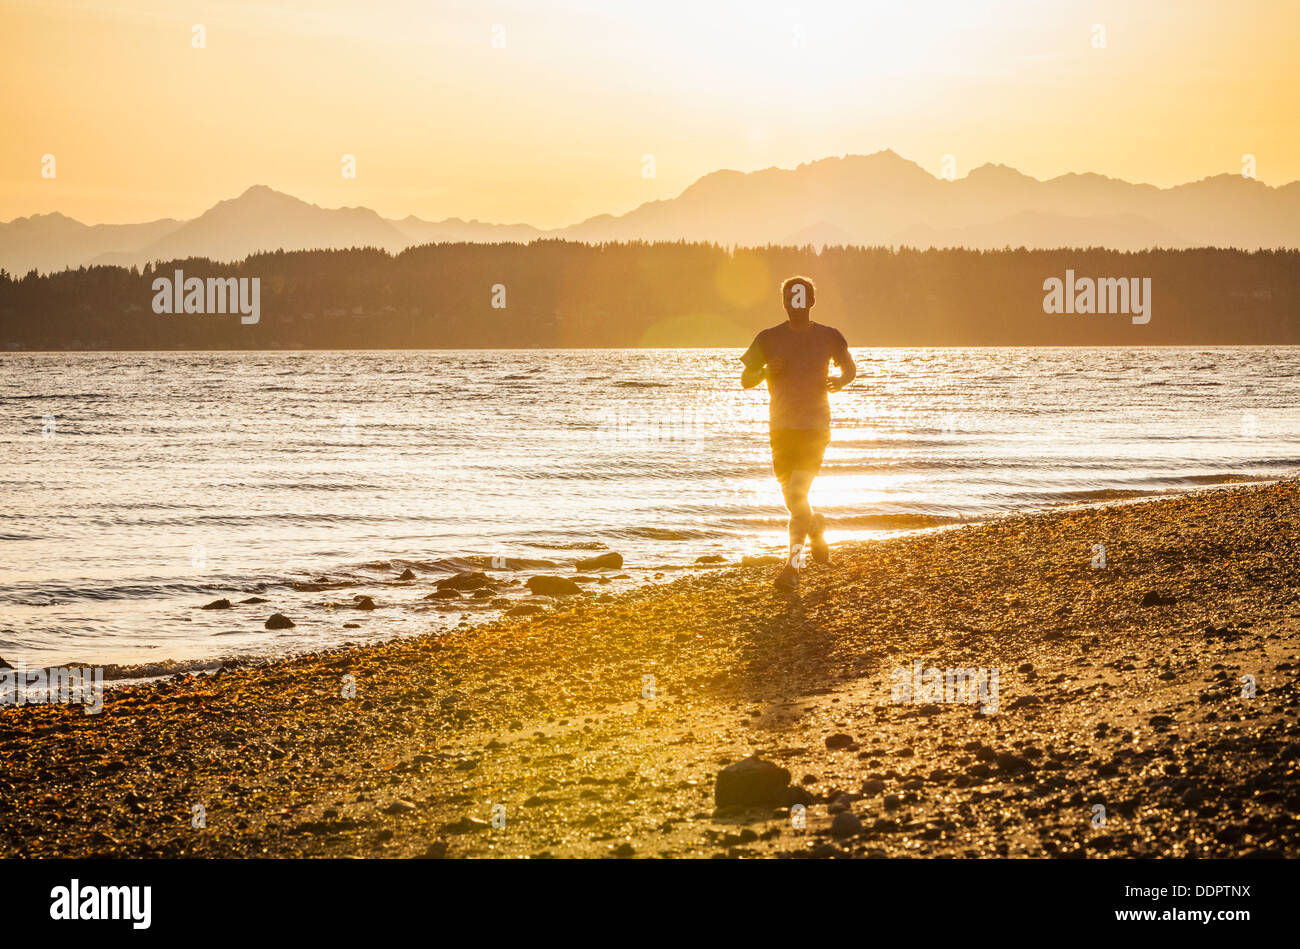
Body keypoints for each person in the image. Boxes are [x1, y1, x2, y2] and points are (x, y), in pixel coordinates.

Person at [740, 275, 856, 592]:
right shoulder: (767, 338)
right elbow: (745, 379)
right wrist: (764, 371)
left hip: (815, 428)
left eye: (802, 298)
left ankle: (793, 567)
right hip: (780, 430)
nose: (797, 304)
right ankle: (816, 527)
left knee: (796, 494)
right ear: (785, 302)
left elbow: (850, 368)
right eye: (792, 298)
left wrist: (841, 381)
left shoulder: (829, 336)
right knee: (795, 502)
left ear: (811, 302)